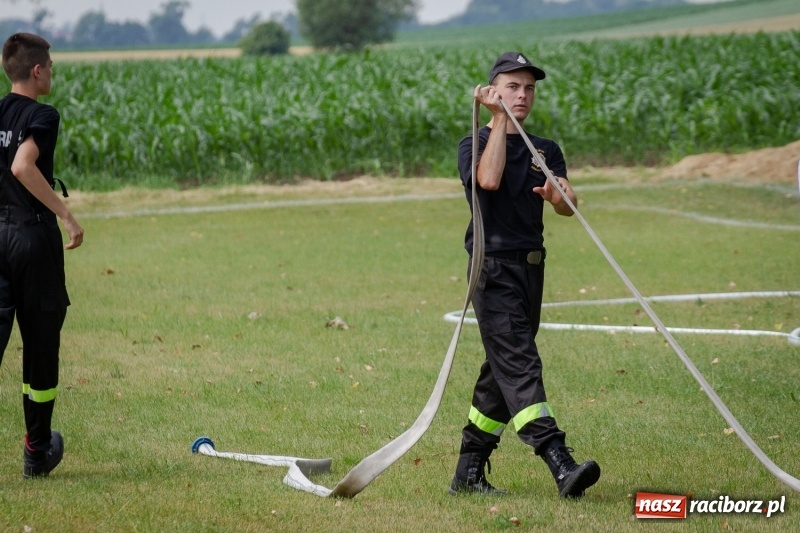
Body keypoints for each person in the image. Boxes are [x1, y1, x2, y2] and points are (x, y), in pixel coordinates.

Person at [450, 51, 600, 498]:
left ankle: (468, 472)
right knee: (519, 364)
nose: (523, 95)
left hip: (531, 269)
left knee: (501, 373)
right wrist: (498, 120)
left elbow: (565, 206)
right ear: (494, 88)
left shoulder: (546, 149)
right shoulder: (473, 142)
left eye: (529, 88)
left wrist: (561, 196)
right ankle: (559, 460)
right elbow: (489, 180)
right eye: (513, 86)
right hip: (491, 270)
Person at [0, 32, 84, 478]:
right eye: (49, 66)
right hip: (32, 240)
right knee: (40, 350)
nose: (52, 72)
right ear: (37, 71)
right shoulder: (42, 114)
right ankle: (37, 453)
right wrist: (66, 216)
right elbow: (21, 165)